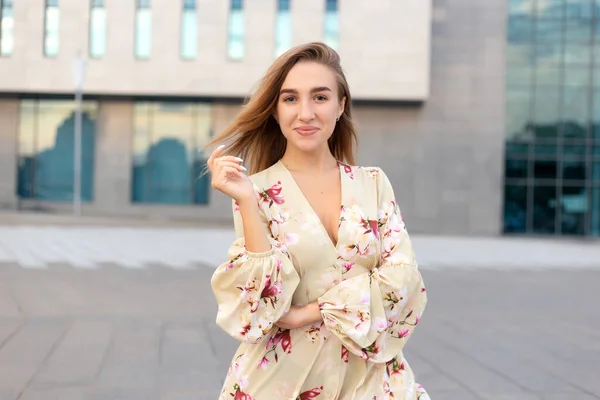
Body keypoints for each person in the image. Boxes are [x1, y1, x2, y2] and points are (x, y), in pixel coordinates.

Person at [206, 42, 429, 400]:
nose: (305, 113)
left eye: (320, 97)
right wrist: (246, 200)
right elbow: (260, 308)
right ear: (275, 111)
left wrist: (308, 312)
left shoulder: (373, 183)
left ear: (341, 105)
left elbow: (404, 283)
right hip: (282, 379)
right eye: (290, 98)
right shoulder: (256, 192)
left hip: (370, 375)